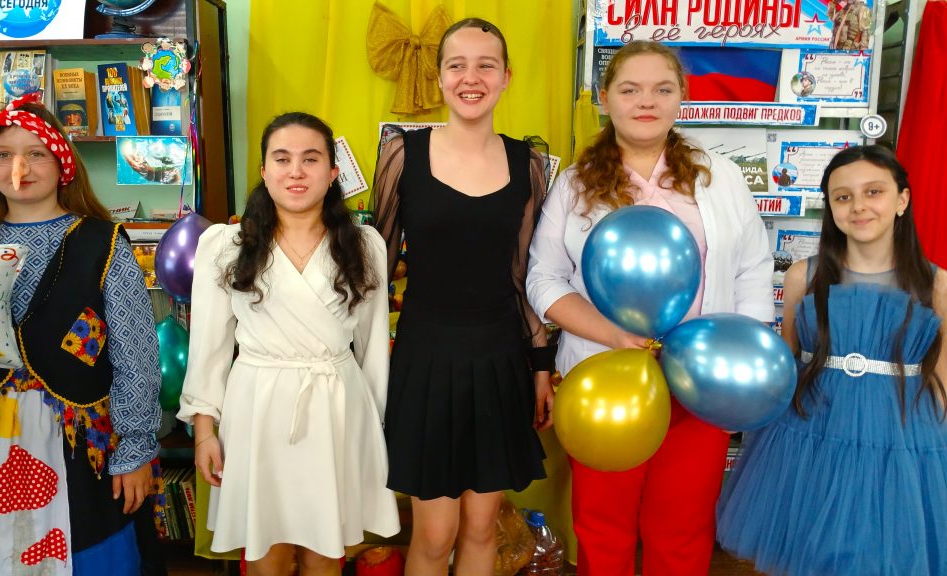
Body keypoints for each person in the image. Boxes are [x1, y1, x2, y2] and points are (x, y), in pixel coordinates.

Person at [526, 40, 774, 575]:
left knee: (683, 525)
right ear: (604, 98)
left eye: (662, 89)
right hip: (605, 382)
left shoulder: (719, 176)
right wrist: (612, 336)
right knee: (602, 523)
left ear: (682, 96)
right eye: (630, 89)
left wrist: (739, 359)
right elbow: (543, 278)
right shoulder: (574, 184)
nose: (646, 101)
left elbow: (753, 268)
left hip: (700, 383)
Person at [0, 92, 163, 575]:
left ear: (61, 163)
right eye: (3, 155)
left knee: (91, 557)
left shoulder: (103, 243)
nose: (20, 167)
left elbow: (136, 356)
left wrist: (135, 448)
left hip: (83, 448)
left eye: (35, 153)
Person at [178, 112, 399, 576]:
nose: (296, 171)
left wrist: (375, 431)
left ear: (332, 172)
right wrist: (205, 431)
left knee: (326, 552)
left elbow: (373, 350)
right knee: (267, 552)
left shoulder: (364, 245)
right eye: (282, 159)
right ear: (264, 171)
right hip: (257, 407)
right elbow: (209, 348)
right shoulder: (226, 244)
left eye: (310, 159)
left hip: (337, 409)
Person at [371, 18, 553, 576]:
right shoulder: (402, 154)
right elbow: (376, 270)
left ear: (506, 77)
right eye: (457, 65)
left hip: (499, 358)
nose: (471, 78)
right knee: (433, 534)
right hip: (425, 359)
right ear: (440, 75)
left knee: (481, 527)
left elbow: (523, 274)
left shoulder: (529, 163)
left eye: (485, 65)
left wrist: (540, 367)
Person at [716, 145, 947, 575]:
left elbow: (943, 381)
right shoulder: (804, 276)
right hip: (809, 438)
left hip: (899, 442)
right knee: (811, 551)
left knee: (883, 553)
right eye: (843, 196)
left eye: (873, 192)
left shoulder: (937, 286)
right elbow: (784, 365)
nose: (858, 206)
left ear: (902, 199)